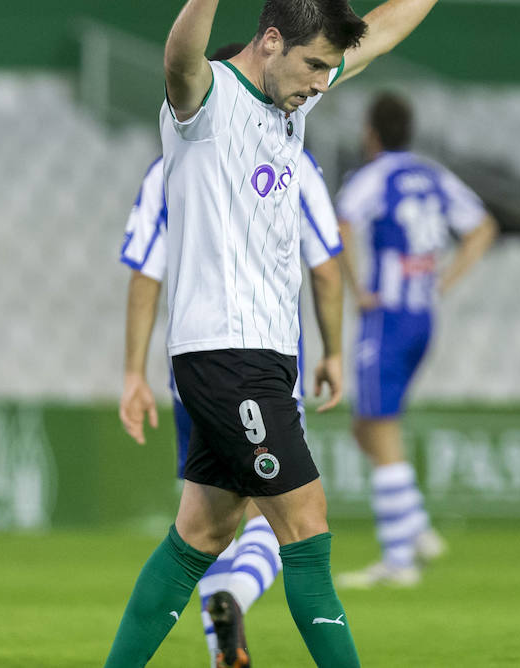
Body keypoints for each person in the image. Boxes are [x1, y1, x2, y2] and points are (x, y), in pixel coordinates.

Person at [102, 0, 514, 668]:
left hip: (260, 358)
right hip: (228, 356)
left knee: (202, 534)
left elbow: (382, 33)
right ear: (269, 43)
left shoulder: (289, 104)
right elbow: (177, 63)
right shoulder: (208, 102)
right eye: (314, 65)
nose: (323, 83)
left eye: (330, 68)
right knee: (309, 527)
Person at [119, 82, 345, 665]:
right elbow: (325, 264)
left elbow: (146, 271)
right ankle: (234, 596)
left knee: (204, 528)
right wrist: (334, 349)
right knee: (296, 523)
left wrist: (133, 372)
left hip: (192, 375)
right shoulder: (293, 158)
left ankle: (224, 638)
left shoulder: (164, 167)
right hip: (255, 369)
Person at [333, 91, 496, 589]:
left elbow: (340, 221)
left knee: (378, 430)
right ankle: (415, 526)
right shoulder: (431, 174)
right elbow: (483, 227)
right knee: (368, 428)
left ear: (371, 133)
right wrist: (445, 279)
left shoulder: (376, 177)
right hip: (424, 315)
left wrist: (356, 286)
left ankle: (400, 559)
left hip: (386, 317)